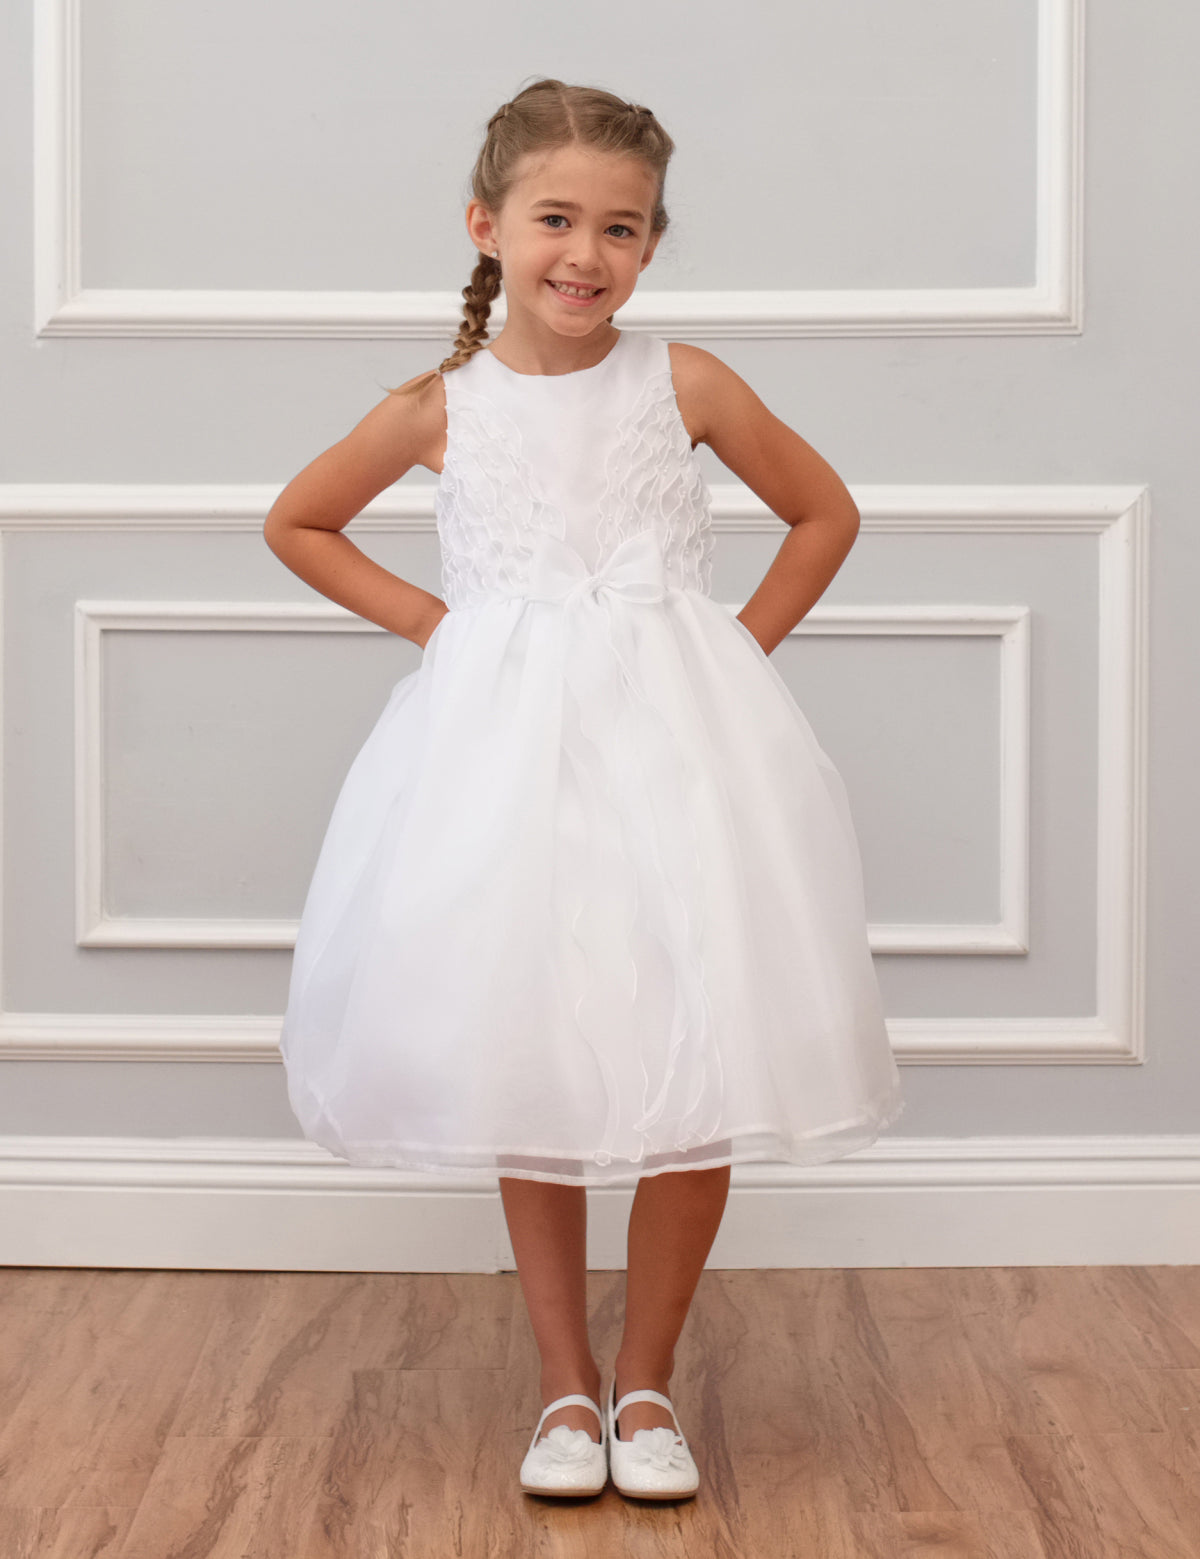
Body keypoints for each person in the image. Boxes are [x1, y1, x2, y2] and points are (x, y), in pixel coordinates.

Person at [264, 77, 904, 1502]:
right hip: (504, 769)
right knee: (533, 1049)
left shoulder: (684, 384)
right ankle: (565, 1386)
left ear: (653, 245)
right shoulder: (440, 409)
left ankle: (650, 1383)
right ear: (488, 226)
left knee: (702, 1047)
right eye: (557, 219)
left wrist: (728, 652)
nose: (586, 254)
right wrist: (444, 627)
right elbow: (297, 520)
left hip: (684, 758)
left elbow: (825, 510)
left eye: (621, 228)